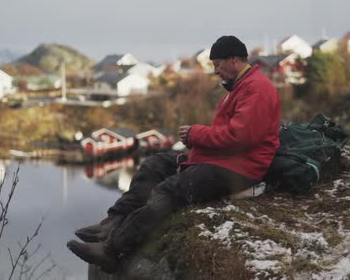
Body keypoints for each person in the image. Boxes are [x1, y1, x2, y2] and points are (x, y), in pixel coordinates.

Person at [67, 35, 281, 273]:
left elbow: (238, 138)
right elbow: (229, 135)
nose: (215, 70)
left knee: (172, 189)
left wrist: (195, 135)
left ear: (233, 60)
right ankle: (113, 222)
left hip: (242, 169)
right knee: (155, 164)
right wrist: (198, 142)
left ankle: (113, 250)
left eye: (217, 64)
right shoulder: (239, 87)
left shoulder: (257, 89)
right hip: (223, 160)